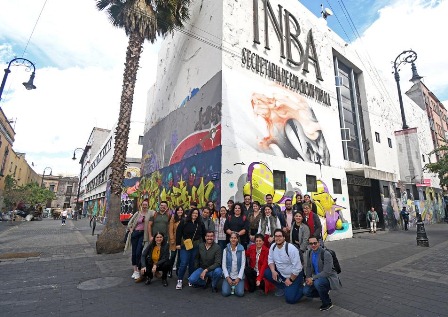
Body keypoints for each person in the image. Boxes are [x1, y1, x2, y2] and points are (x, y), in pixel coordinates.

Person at [264, 229, 303, 304]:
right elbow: (270, 260)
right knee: (267, 273)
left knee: (290, 300)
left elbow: (297, 268)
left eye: (280, 236)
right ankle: (283, 287)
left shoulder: (291, 249)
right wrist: (273, 271)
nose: (278, 238)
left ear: (284, 237)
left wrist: (290, 280)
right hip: (281, 274)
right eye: (276, 236)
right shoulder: (273, 246)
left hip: (294, 275)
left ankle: (303, 289)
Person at [303, 237, 342, 311]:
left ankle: (327, 303)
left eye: (315, 243)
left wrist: (313, 278)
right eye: (311, 244)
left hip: (328, 278)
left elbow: (327, 272)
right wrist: (308, 278)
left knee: (318, 283)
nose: (313, 245)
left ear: (319, 242)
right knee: (306, 291)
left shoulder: (326, 253)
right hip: (316, 278)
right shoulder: (309, 252)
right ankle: (323, 292)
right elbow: (308, 267)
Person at [175, 208, 206, 290]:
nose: (195, 215)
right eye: (193, 213)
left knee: (192, 263)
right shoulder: (184, 221)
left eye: (196, 213)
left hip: (196, 245)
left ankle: (190, 278)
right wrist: (177, 244)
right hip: (185, 245)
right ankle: (180, 280)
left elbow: (204, 234)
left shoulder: (200, 223)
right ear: (190, 213)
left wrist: (205, 244)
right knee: (184, 263)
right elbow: (178, 233)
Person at [125, 199, 153, 280]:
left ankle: (138, 269)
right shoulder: (137, 213)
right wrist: (131, 231)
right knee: (134, 252)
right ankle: (135, 270)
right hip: (135, 233)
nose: (144, 206)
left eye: (146, 205)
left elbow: (157, 214)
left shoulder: (150, 213)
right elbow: (129, 223)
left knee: (138, 252)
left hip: (143, 235)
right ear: (141, 205)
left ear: (148, 205)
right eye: (143, 205)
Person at [222, 232, 246, 297]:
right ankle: (231, 285)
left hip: (238, 275)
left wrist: (238, 278)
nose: (233, 239)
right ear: (229, 239)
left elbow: (243, 265)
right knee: (225, 293)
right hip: (229, 275)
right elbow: (223, 265)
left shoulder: (242, 249)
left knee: (240, 293)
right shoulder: (225, 250)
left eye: (235, 238)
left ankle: (234, 286)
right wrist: (227, 277)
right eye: (232, 238)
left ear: (237, 239)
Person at [168, 206, 184, 277]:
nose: (180, 211)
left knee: (180, 257)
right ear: (176, 211)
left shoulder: (185, 218)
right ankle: (169, 270)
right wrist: (171, 239)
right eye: (178, 210)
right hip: (174, 240)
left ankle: (178, 270)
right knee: (173, 256)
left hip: (182, 240)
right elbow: (170, 230)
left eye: (181, 210)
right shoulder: (173, 218)